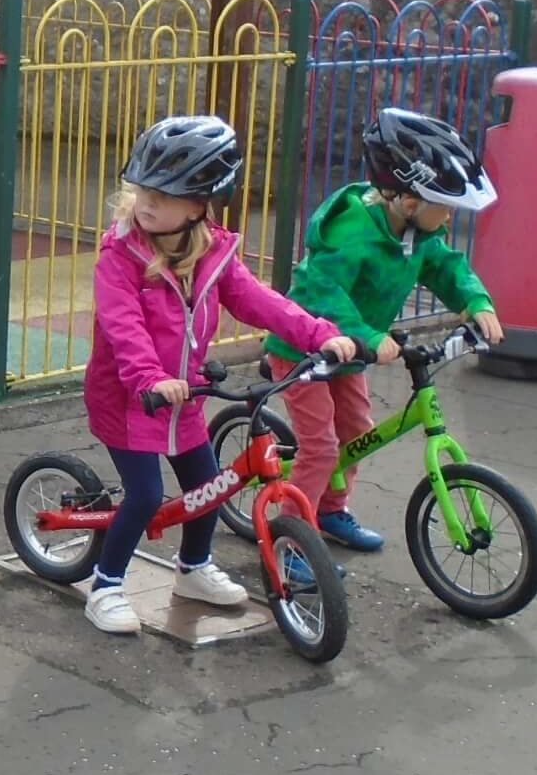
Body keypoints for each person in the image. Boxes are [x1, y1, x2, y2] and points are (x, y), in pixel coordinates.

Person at [79, 116, 357, 635]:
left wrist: (317, 334)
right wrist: (148, 377)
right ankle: (106, 584)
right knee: (142, 496)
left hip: (185, 398)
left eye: (164, 194)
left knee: (208, 486)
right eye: (143, 190)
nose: (147, 203)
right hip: (130, 398)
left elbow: (261, 302)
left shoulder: (215, 254)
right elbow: (123, 327)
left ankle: (193, 569)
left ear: (200, 205)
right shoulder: (119, 258)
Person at [264, 109, 502, 554]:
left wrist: (476, 301)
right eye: (445, 207)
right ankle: (293, 540)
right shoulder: (351, 234)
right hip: (305, 350)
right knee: (320, 447)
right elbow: (323, 294)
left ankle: (332, 510)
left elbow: (444, 264)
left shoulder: (413, 231)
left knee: (356, 431)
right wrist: (369, 337)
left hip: (354, 351)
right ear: (410, 203)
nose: (449, 218)